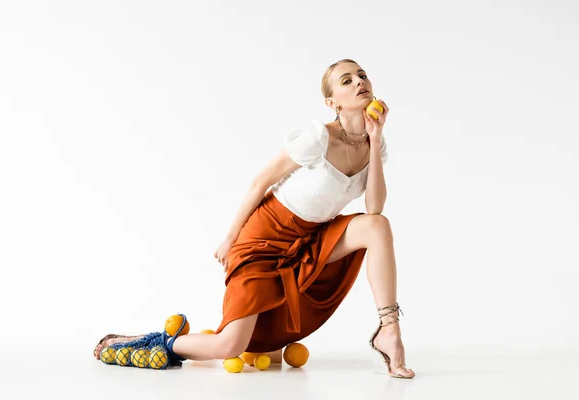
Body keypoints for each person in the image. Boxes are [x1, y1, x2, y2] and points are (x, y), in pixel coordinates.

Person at [93, 58, 415, 379]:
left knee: (377, 226)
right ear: (332, 103)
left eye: (362, 76)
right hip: (263, 241)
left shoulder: (376, 142)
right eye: (347, 81)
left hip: (311, 239)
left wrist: (374, 139)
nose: (359, 82)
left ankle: (389, 332)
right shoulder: (318, 137)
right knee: (230, 345)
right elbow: (260, 183)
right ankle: (155, 343)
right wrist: (230, 238)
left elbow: (374, 208)